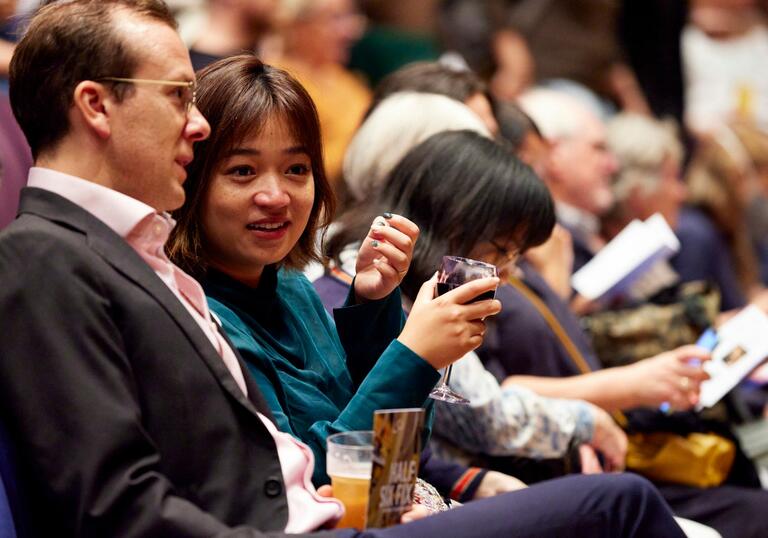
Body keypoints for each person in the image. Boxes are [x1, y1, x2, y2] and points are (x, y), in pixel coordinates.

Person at [0, 1, 687, 537]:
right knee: (619, 503)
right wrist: (411, 358)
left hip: (348, 512)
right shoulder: (56, 258)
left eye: (297, 169)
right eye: (180, 96)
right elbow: (132, 505)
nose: (196, 123)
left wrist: (371, 321)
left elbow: (350, 466)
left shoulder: (273, 284)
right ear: (95, 105)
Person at [320, 130, 628, 474]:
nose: (508, 273)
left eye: (517, 255)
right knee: (621, 497)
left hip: (412, 488)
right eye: (501, 250)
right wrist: (587, 421)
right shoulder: (365, 291)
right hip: (371, 502)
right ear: (453, 222)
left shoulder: (407, 288)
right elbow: (482, 418)